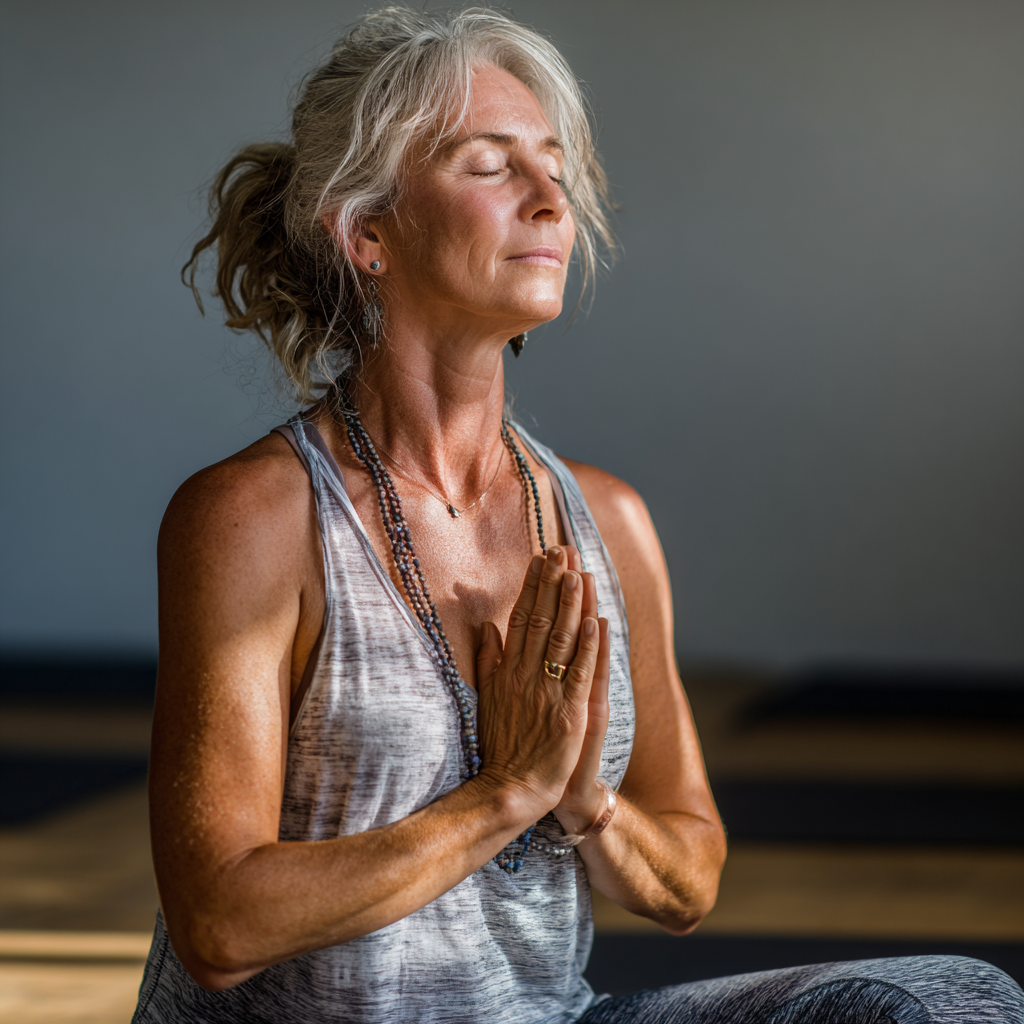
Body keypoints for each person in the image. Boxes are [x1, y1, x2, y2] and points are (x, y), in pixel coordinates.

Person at [134, 7, 1024, 1023]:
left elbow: (688, 879)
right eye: (488, 164)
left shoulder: (605, 520)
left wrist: (581, 798)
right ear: (366, 231)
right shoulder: (254, 516)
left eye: (554, 165)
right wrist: (502, 793)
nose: (550, 198)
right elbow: (219, 924)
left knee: (956, 1000)